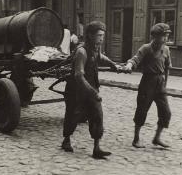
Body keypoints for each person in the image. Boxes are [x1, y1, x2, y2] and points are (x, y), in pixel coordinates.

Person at [62, 21, 121, 159]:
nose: (102, 38)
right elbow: (78, 75)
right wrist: (93, 92)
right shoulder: (81, 52)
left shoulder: (95, 48)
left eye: (103, 35)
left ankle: (97, 148)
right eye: (99, 35)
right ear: (90, 35)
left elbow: (100, 57)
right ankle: (66, 140)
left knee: (97, 115)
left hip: (90, 88)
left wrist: (113, 64)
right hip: (76, 90)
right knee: (73, 115)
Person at [124, 23, 172, 148]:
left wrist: (165, 84)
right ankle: (136, 139)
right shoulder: (146, 48)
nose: (166, 39)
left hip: (160, 83)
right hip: (147, 83)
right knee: (142, 110)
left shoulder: (166, 49)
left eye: (167, 36)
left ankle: (157, 138)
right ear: (155, 37)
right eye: (163, 36)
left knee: (165, 112)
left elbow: (167, 68)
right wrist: (129, 65)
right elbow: (135, 59)